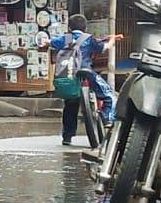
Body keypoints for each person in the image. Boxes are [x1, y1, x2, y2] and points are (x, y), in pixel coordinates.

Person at [47, 14, 119, 147]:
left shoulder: (66, 38)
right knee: (109, 95)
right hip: (87, 72)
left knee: (70, 105)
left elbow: (50, 43)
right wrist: (112, 40)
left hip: (70, 75)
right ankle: (106, 118)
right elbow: (104, 48)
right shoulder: (89, 39)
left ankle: (67, 136)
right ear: (85, 28)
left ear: (69, 27)